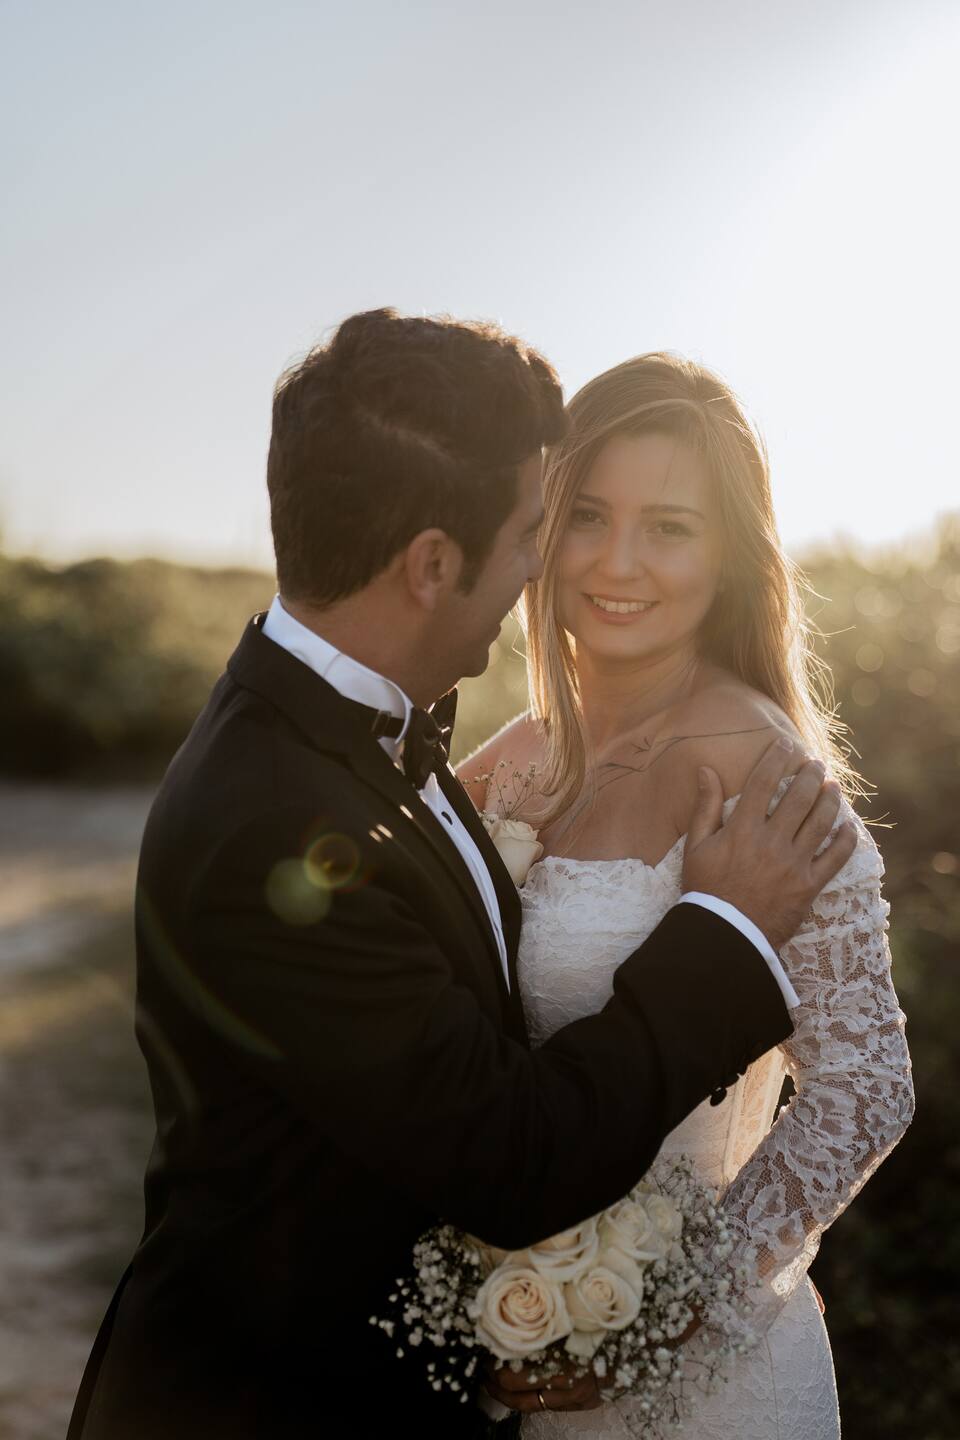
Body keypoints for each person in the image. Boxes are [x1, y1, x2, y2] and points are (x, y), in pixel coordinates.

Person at [67, 314, 857, 1440]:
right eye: (548, 523)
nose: (555, 563)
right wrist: (727, 928)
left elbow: (865, 1084)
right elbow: (509, 1153)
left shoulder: (365, 742)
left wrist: (689, 1297)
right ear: (432, 564)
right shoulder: (276, 821)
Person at [462, 351, 914, 1438]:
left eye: (669, 526)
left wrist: (674, 1312)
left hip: (707, 1393)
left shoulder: (766, 778)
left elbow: (865, 1088)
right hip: (525, 1352)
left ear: (731, 557)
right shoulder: (514, 761)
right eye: (589, 517)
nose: (619, 562)